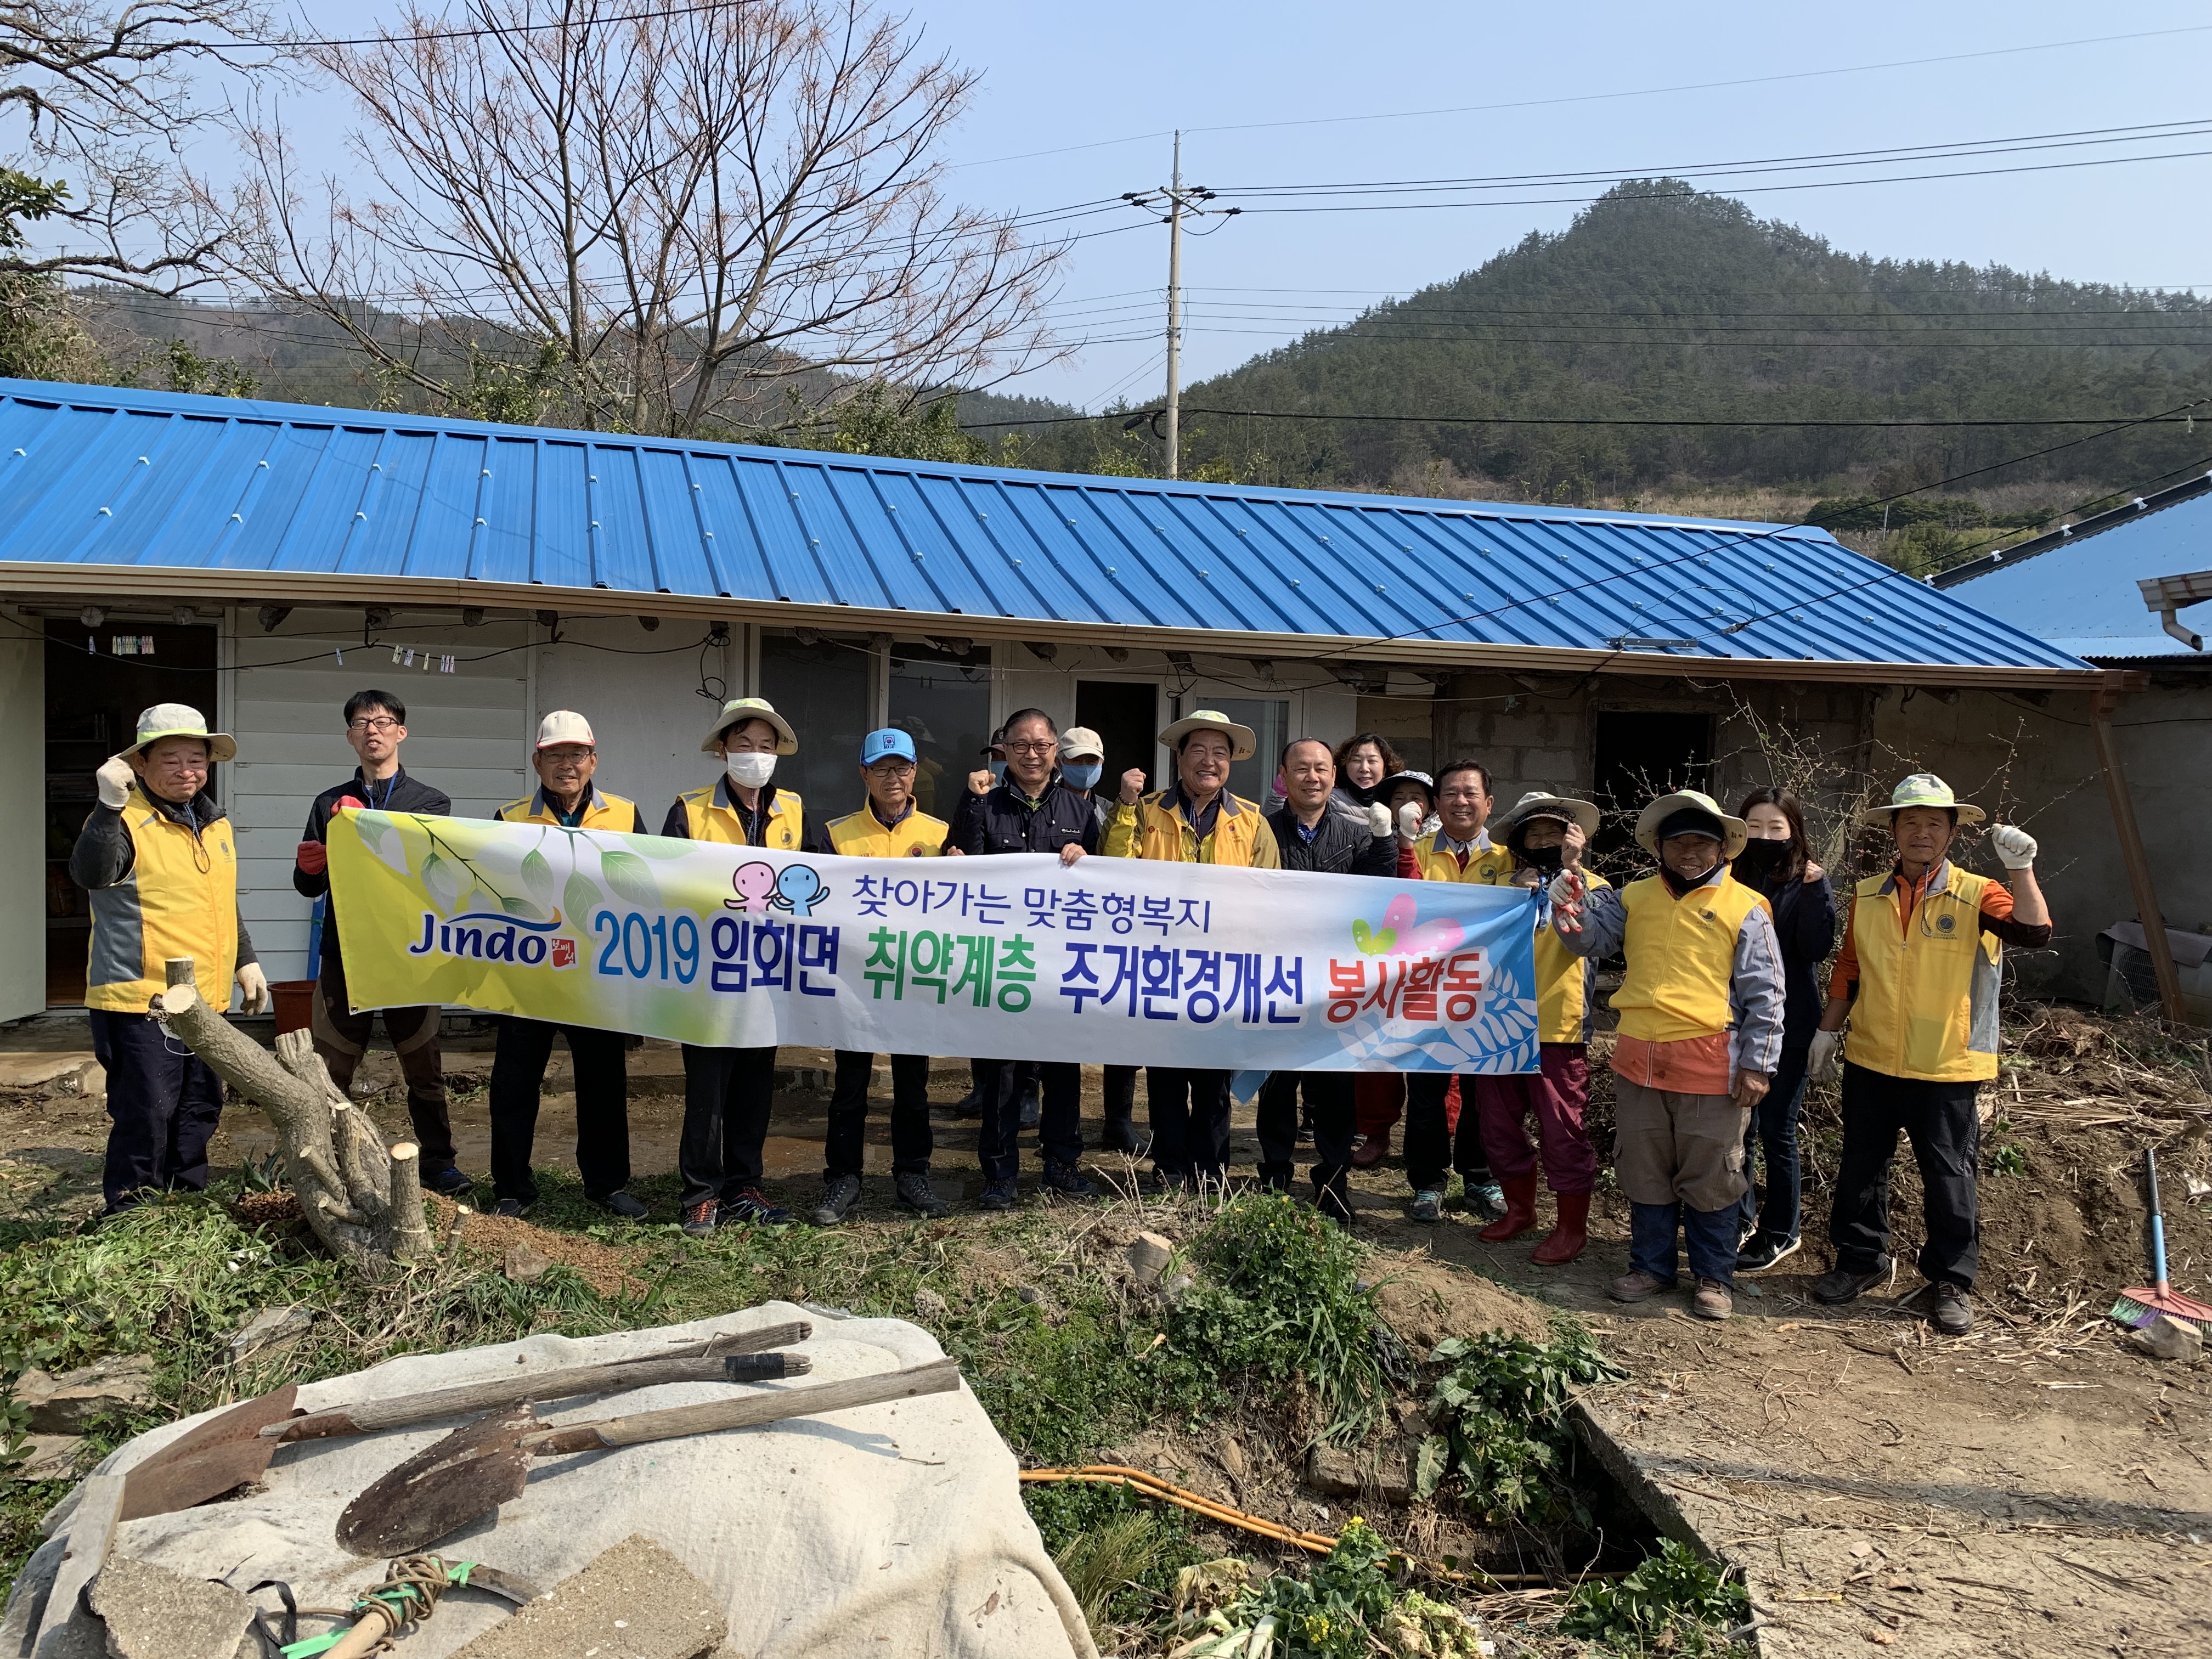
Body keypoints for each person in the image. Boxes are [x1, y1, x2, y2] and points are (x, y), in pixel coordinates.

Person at [1809, 775, 2049, 1336]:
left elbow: (2034, 933)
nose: (1922, 832)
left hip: (1946, 1065)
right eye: (1911, 822)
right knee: (1862, 1170)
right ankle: (1860, 1262)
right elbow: (1850, 967)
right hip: (1871, 1059)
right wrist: (1827, 1032)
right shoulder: (1869, 894)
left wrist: (2022, 869)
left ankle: (1949, 1281)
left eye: (1934, 823)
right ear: (1894, 830)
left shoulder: (1977, 892)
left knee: (1949, 1177)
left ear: (1952, 833)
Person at [1550, 789, 1785, 1321]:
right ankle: (1651, 1268)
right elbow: (1586, 942)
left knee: (1713, 1176)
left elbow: (1766, 993)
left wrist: (1758, 1065)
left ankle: (1712, 1278)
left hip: (1712, 1064)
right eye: (1679, 842)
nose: (1691, 853)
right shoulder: (1632, 898)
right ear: (1659, 845)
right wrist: (1568, 898)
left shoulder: (1746, 907)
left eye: (1704, 843)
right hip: (1639, 1062)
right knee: (1645, 1170)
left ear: (1724, 849)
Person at [73, 706, 269, 1214]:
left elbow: (221, 902)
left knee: (199, 1107)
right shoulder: (124, 819)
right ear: (140, 764)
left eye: (197, 759)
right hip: (141, 999)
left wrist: (246, 962)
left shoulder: (215, 824)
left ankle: (186, 1206)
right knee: (147, 1112)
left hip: (204, 1002)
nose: (187, 771)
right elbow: (91, 874)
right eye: (172, 760)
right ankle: (132, 1213)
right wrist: (106, 806)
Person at [292, 690, 470, 1197]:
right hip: (343, 953)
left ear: (400, 733)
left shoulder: (432, 803)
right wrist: (313, 864)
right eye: (362, 722)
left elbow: (432, 876)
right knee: (330, 1070)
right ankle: (326, 1164)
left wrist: (366, 831)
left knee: (423, 1068)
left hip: (409, 953)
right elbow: (308, 887)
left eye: (384, 721)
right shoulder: (327, 803)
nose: (373, 729)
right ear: (350, 736)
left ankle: (439, 1163)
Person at [662, 696, 821, 1236]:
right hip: (709, 975)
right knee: (708, 1085)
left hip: (767, 976)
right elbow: (669, 885)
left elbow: (818, 882)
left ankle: (744, 1185)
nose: (756, 755)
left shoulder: (794, 811)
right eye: (745, 745)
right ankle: (701, 1192)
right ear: (724, 749)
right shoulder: (689, 810)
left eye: (766, 746)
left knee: (755, 1082)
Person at [1106, 709, 1281, 1188]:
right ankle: (1169, 1168)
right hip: (1160, 968)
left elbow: (1270, 898)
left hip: (1222, 972)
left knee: (1212, 1084)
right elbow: (1114, 874)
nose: (1209, 761)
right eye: (1198, 750)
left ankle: (1211, 1173)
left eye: (1220, 753)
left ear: (1232, 763)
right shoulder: (1146, 810)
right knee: (1164, 1079)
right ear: (1179, 757)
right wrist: (1124, 807)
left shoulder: (1251, 821)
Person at [486, 713, 649, 1221]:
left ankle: (607, 1185)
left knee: (604, 1083)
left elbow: (646, 890)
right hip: (529, 973)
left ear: (593, 761)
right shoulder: (508, 818)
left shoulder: (626, 814)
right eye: (555, 755)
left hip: (599, 975)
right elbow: (491, 893)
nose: (566, 766)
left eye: (576, 755)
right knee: (514, 1084)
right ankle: (511, 1188)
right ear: (537, 761)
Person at [812, 728, 955, 1226]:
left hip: (916, 981)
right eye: (881, 769)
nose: (892, 778)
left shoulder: (942, 835)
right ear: (864, 774)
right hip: (854, 981)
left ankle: (912, 1176)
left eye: (901, 768)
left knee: (912, 1085)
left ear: (915, 771)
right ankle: (842, 1178)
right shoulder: (835, 834)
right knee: (850, 1084)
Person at [960, 708, 1102, 1209]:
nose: (1032, 754)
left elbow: (1105, 889)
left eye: (1041, 745)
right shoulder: (985, 806)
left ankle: (1062, 1164)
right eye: (1020, 745)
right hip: (1003, 961)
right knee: (1003, 1074)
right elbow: (963, 873)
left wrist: (1089, 864)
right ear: (1006, 751)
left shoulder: (1081, 813)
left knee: (1063, 1070)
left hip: (1063, 964)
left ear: (1055, 751)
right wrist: (969, 805)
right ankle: (999, 1175)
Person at [1260, 738, 1397, 1222]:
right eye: (1301, 769)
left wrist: (1386, 841)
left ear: (1333, 778)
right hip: (1278, 978)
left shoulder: (1357, 835)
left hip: (1338, 983)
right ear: (1284, 775)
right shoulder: (1261, 830)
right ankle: (1274, 1174)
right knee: (1277, 1084)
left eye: (1321, 769)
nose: (1312, 777)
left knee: (1337, 1088)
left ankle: (1333, 1177)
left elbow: (1380, 892)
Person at [1472, 792, 1609, 1263]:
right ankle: (1519, 1210)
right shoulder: (1502, 887)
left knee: (1562, 1129)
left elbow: (1595, 941)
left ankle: (1572, 1228)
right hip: (1497, 1022)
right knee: (1497, 1124)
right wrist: (1517, 893)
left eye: (1557, 831)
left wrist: (1571, 875)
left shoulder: (1597, 885)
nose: (1546, 840)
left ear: (1576, 838)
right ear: (1521, 842)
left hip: (1560, 1026)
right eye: (1536, 833)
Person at [1400, 760, 1514, 1222]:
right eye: (1450, 793)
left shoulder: (1510, 861)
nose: (1460, 802)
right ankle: (1426, 1183)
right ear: (1435, 804)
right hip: (1425, 994)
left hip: (1489, 995)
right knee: (1426, 1091)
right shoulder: (1416, 851)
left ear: (1488, 804)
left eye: (1470, 794)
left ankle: (1480, 1178)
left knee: (1481, 1093)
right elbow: (1399, 907)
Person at [1729, 788, 1837, 1274]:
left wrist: (1815, 891)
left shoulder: (1806, 881)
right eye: (1754, 826)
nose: (1765, 836)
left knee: (1776, 1129)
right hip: (1736, 1020)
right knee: (1740, 1128)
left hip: (1790, 1022)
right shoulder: (1729, 875)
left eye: (1776, 828)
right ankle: (1741, 1217)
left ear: (1794, 831)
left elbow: (1815, 949)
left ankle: (1783, 1231)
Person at [1055, 726, 1142, 1156]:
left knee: (1119, 1027)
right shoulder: (1046, 805)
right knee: (1057, 1028)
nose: (1085, 769)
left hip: (1110, 933)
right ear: (1059, 762)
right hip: (1055, 934)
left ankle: (1118, 1120)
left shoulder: (1113, 809)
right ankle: (1055, 1123)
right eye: (1076, 761)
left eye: (1092, 762)